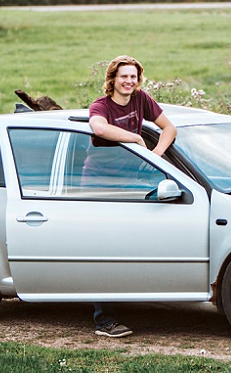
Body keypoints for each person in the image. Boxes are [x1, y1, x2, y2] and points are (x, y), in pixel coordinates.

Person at [87, 55, 177, 338]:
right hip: (99, 185)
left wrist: (155, 155)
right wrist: (136, 138)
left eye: (134, 77)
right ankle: (104, 320)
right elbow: (98, 128)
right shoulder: (101, 106)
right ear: (112, 79)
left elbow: (169, 129)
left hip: (129, 182)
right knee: (105, 248)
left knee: (133, 242)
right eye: (124, 76)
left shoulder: (142, 100)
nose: (129, 81)